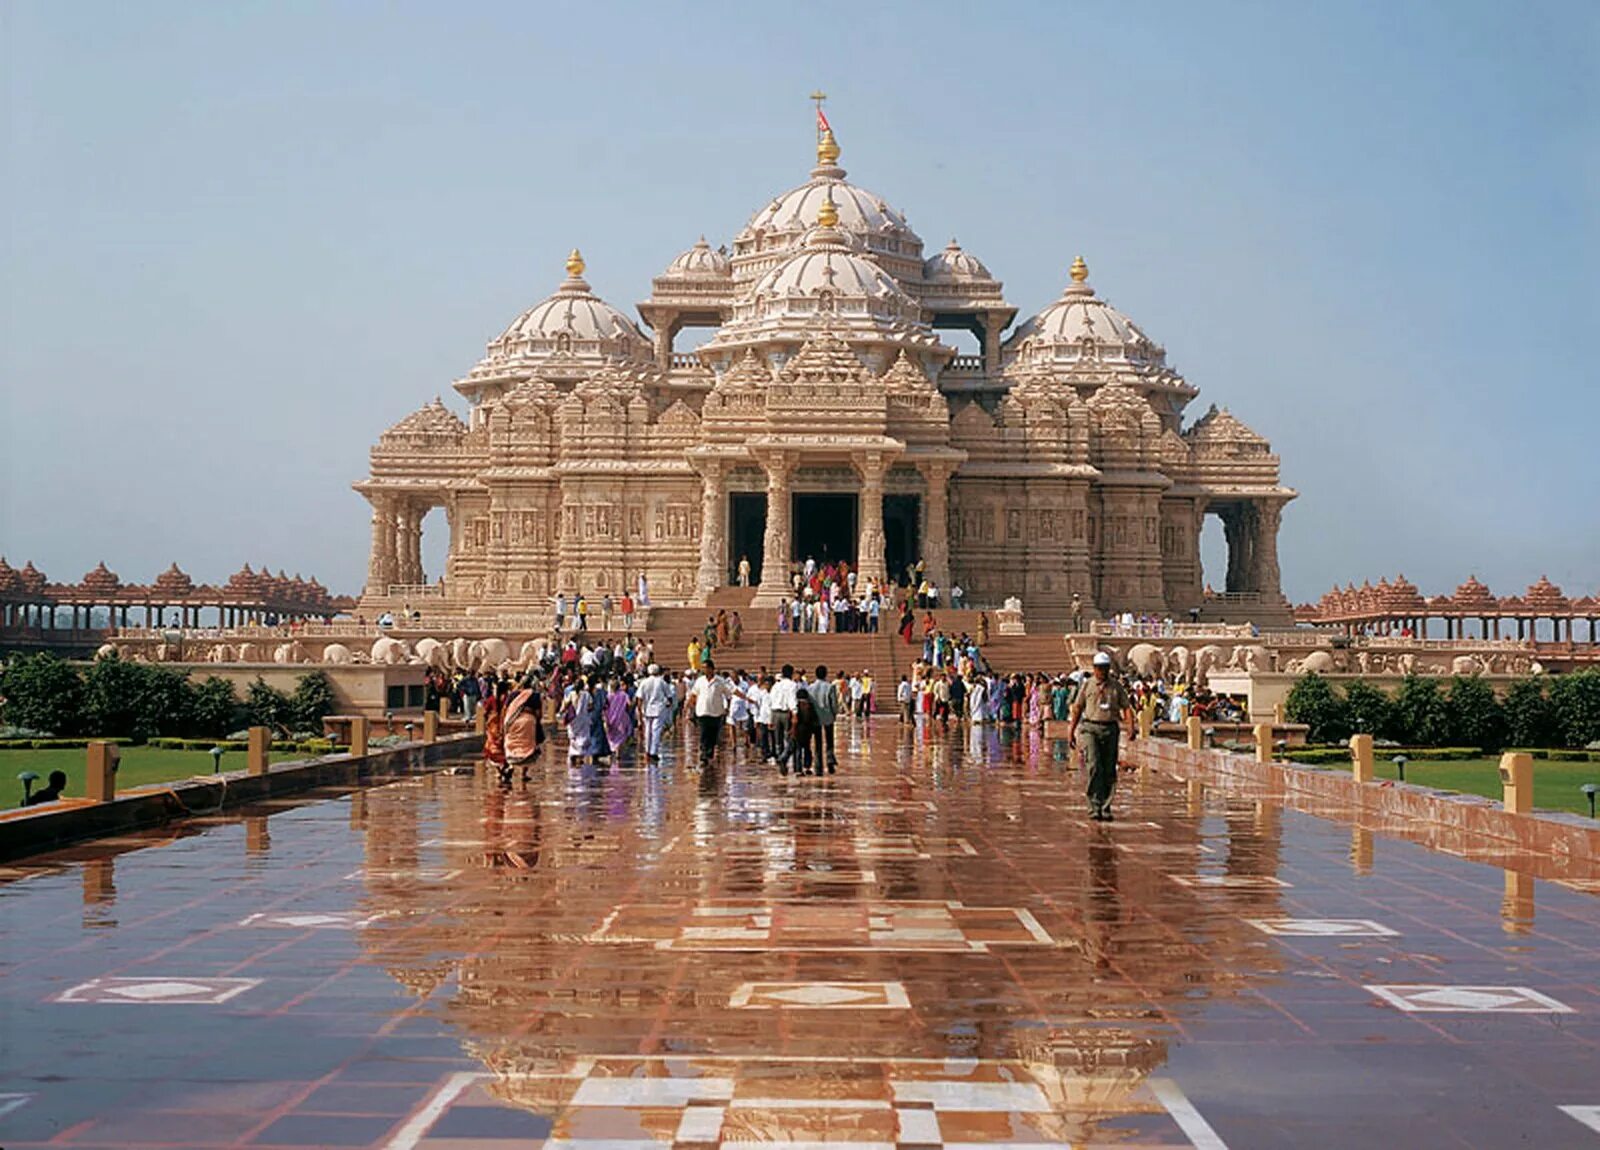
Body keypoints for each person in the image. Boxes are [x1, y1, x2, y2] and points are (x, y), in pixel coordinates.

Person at [1067, 652, 1135, 821]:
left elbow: (1126, 707)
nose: (1102, 672)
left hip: (1110, 728)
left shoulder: (1116, 686)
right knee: (1094, 766)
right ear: (1094, 669)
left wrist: (1131, 726)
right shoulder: (1087, 685)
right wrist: (1071, 731)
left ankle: (1105, 807)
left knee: (1109, 769)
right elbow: (1077, 708)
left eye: (1105, 669)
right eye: (1099, 669)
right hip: (1090, 727)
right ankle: (1094, 805)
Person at [686, 658, 745, 771]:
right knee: (704, 733)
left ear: (712, 669)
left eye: (706, 668)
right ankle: (703, 754)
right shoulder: (700, 681)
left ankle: (709, 752)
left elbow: (729, 694)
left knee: (713, 734)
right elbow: (694, 695)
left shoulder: (720, 681)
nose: (704, 670)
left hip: (716, 712)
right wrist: (689, 707)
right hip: (702, 711)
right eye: (703, 668)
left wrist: (727, 707)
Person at [503, 674, 545, 781]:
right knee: (527, 745)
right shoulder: (534, 695)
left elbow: (505, 709)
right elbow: (538, 713)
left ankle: (511, 766)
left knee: (512, 743)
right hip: (528, 722)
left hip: (512, 721)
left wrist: (505, 722)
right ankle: (523, 774)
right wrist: (537, 722)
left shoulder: (513, 695)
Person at [806, 665, 840, 774]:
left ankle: (818, 767)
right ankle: (830, 760)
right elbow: (834, 704)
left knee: (817, 742)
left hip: (815, 718)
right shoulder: (830, 687)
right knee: (829, 741)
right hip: (828, 717)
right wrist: (834, 714)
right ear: (825, 674)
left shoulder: (810, 688)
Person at [637, 663, 674, 762]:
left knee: (648, 731)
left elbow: (639, 698)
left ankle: (648, 751)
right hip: (659, 709)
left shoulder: (644, 682)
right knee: (656, 731)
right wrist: (669, 704)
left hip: (647, 709)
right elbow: (669, 696)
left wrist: (640, 709)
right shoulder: (661, 682)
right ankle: (653, 752)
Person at [767, 664, 797, 767]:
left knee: (778, 740)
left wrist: (770, 718)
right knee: (790, 738)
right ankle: (783, 757)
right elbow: (792, 700)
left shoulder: (776, 685)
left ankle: (781, 760)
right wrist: (795, 714)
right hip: (785, 714)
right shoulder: (792, 685)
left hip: (775, 713)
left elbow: (770, 701)